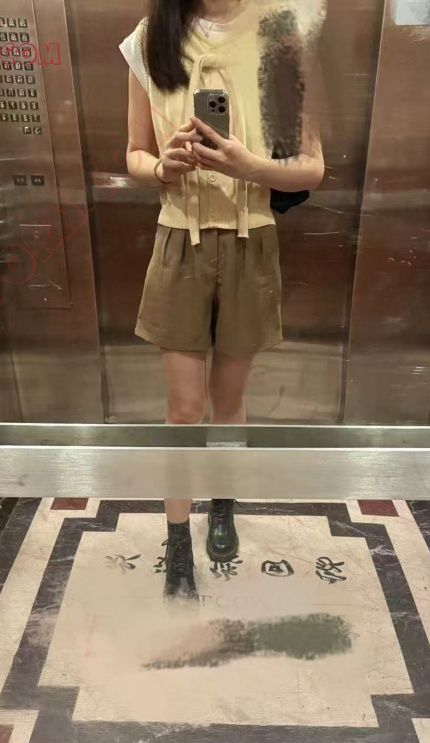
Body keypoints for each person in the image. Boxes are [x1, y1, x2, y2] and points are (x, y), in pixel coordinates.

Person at [120, 0, 325, 600]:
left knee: (229, 400)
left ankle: (223, 505)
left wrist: (247, 165)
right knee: (184, 409)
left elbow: (311, 167)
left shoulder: (279, 35)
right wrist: (163, 167)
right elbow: (132, 153)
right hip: (177, 244)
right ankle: (177, 536)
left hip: (250, 243)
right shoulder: (151, 37)